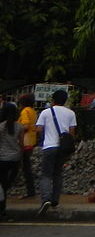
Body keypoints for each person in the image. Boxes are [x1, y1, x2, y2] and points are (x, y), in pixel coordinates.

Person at [35, 88, 76, 216]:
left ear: (53, 100)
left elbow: (39, 129)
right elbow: (72, 133)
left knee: (46, 174)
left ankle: (45, 199)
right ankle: (55, 200)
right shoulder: (71, 113)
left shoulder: (46, 112)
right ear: (65, 100)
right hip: (62, 148)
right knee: (58, 174)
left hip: (49, 146)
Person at [0, 102, 23, 216]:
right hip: (15, 158)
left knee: (2, 185)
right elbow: (21, 144)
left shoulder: (1, 127)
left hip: (2, 159)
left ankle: (2, 208)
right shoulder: (19, 126)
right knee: (6, 185)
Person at [16, 93, 36, 199]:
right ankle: (30, 190)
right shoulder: (32, 111)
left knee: (24, 168)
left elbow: (26, 126)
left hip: (24, 142)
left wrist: (15, 131)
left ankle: (30, 191)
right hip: (31, 142)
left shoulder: (25, 111)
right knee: (26, 168)